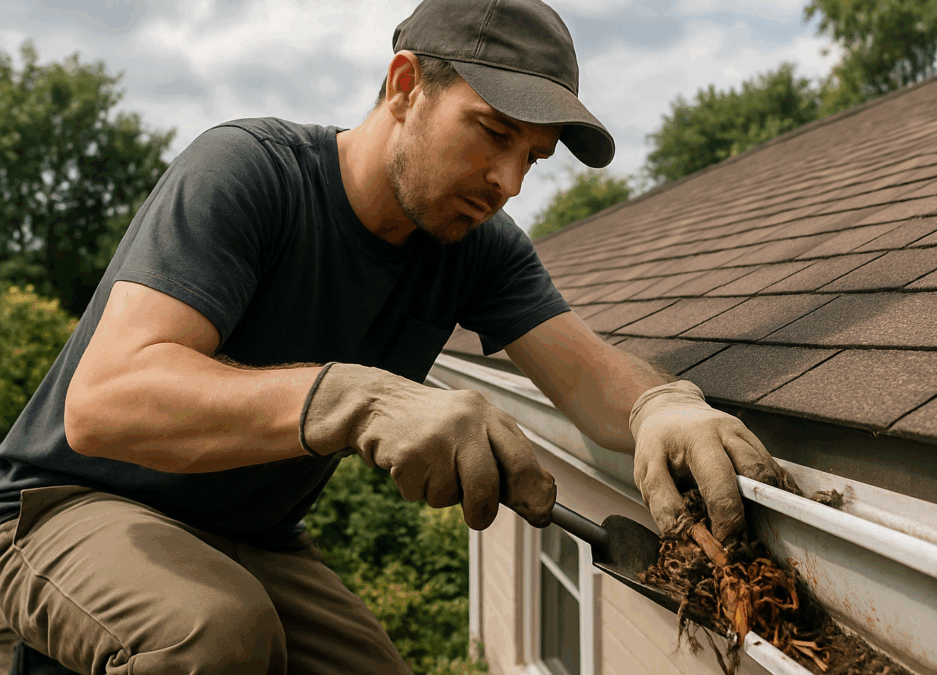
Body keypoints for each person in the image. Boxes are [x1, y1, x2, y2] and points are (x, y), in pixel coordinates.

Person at [0, 0, 797, 673]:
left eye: (532, 157)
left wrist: (661, 406)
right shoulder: (247, 172)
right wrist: (358, 397)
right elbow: (104, 404)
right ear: (405, 85)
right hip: (68, 505)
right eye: (492, 132)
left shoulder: (476, 247)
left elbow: (588, 378)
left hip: (251, 536)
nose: (509, 183)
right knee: (214, 633)